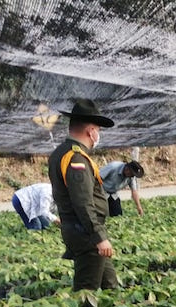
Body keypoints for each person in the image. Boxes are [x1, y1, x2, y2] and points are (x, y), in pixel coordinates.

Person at [48, 98, 117, 290]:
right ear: (91, 131)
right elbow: (83, 201)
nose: (98, 134)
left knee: (110, 284)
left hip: (81, 230)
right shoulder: (75, 158)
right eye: (98, 129)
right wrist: (99, 236)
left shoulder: (60, 153)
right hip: (85, 233)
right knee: (86, 291)